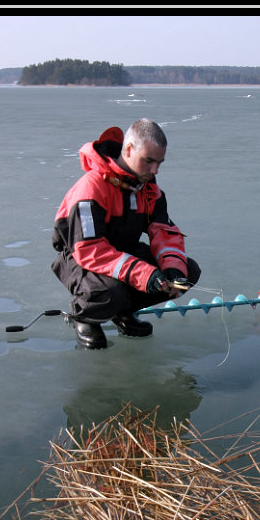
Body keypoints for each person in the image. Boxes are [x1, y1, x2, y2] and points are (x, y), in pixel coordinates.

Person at [51, 119, 201, 348]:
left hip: (122, 252)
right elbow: (88, 249)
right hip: (79, 259)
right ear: (129, 149)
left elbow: (164, 232)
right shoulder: (91, 189)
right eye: (148, 161)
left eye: (159, 163)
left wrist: (173, 270)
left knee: (188, 271)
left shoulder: (148, 189)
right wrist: (143, 274)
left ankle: (123, 313)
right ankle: (85, 317)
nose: (154, 171)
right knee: (112, 291)